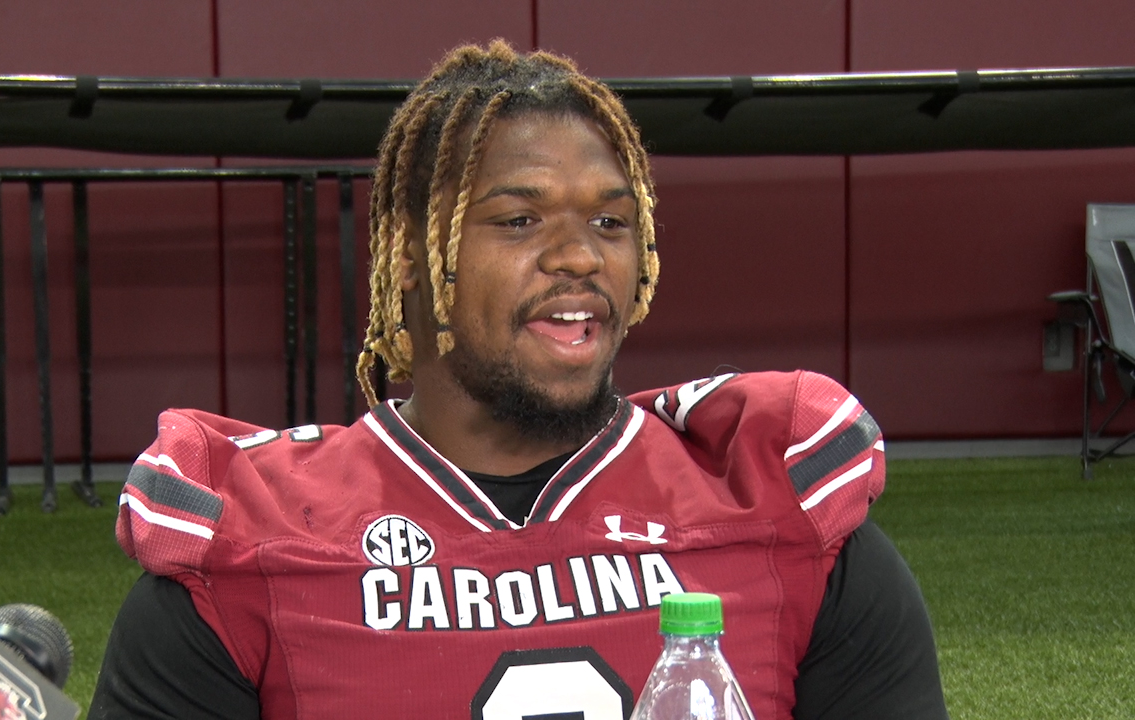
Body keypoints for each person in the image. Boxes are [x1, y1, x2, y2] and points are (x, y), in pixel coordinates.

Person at [88, 40, 948, 720]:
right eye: (520, 218)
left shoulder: (772, 503)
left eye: (611, 220)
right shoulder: (252, 538)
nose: (581, 256)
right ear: (410, 255)